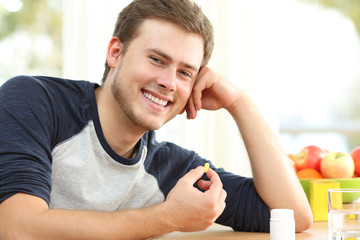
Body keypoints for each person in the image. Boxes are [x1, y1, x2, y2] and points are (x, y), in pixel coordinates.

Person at [0, 0, 313, 239]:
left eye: (185, 72)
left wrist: (239, 102)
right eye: (157, 60)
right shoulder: (33, 101)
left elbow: (292, 217)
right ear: (115, 53)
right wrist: (168, 217)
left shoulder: (170, 169)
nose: (169, 82)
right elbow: (17, 227)